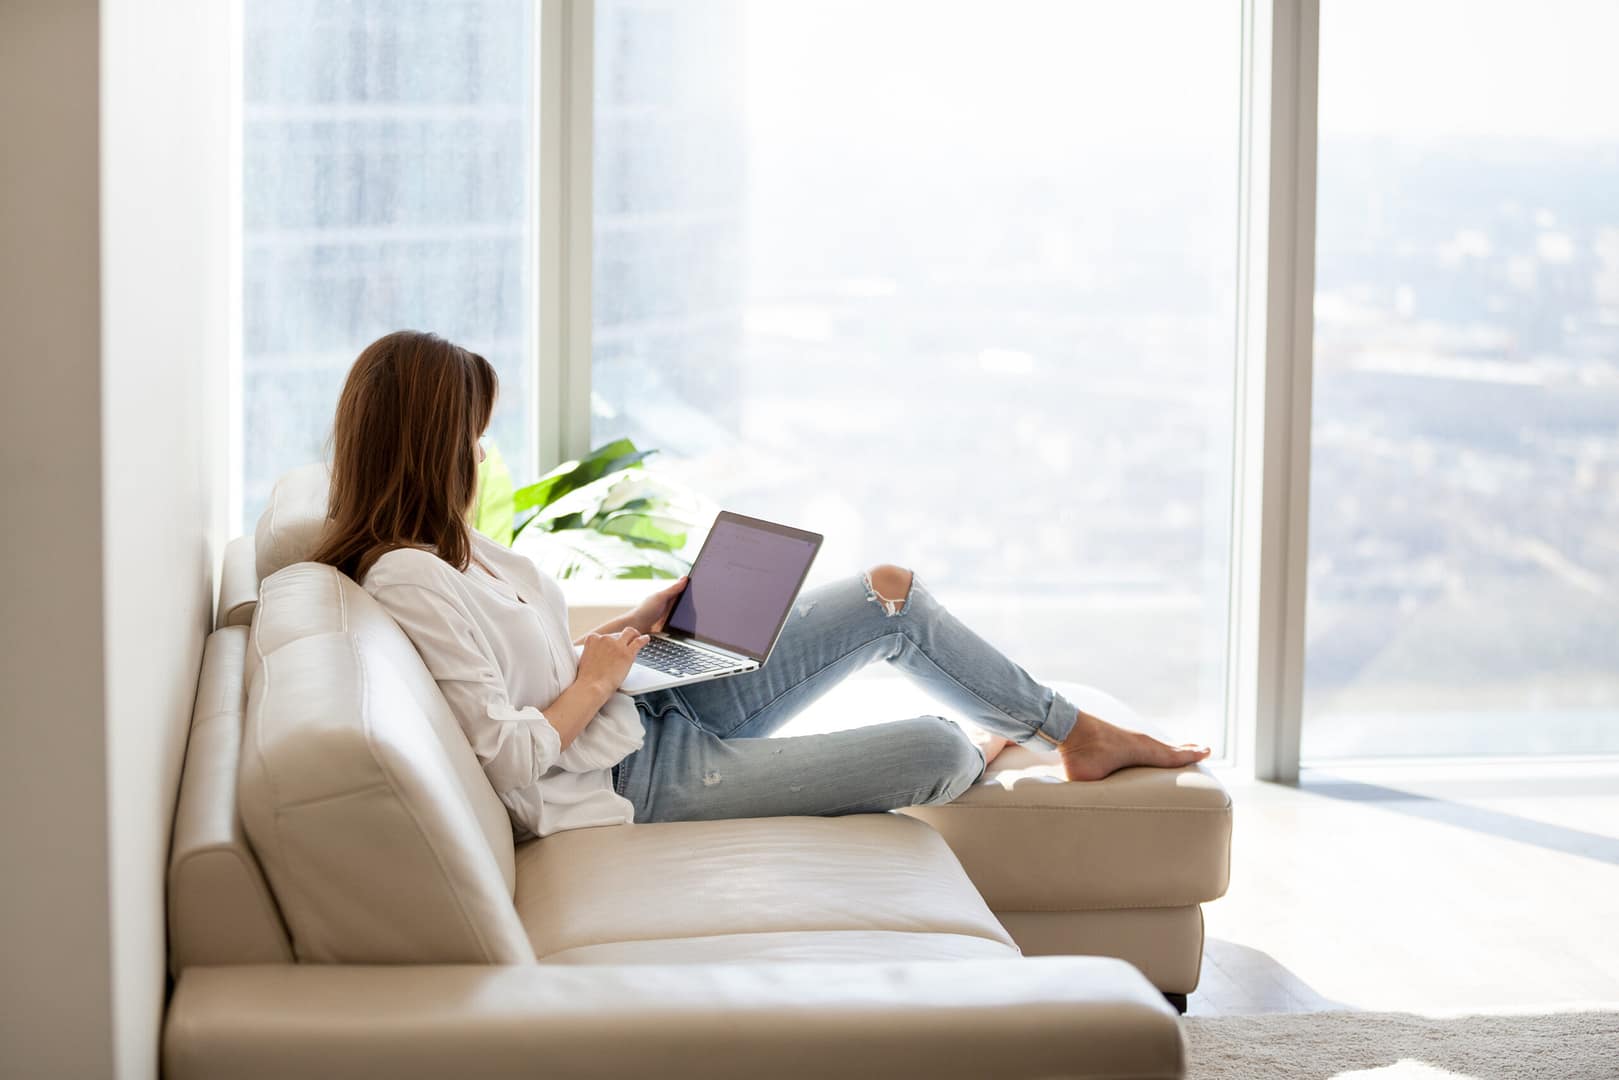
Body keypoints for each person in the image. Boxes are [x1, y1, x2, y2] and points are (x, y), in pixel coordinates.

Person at [310, 330, 1211, 841]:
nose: (480, 451)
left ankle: (1074, 732)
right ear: (430, 443)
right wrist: (594, 680)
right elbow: (505, 757)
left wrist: (632, 630)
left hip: (639, 708)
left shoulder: (462, 546)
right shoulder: (405, 578)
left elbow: (525, 670)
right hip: (638, 779)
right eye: (471, 433)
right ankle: (1012, 739)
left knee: (883, 591)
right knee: (939, 750)